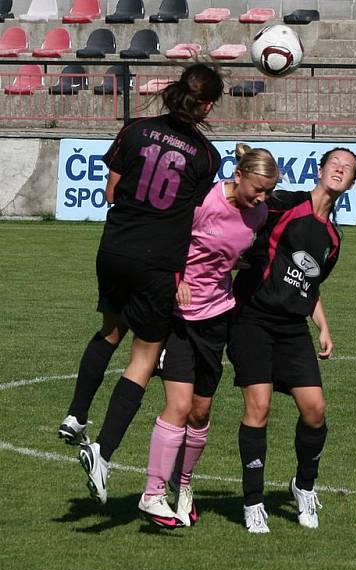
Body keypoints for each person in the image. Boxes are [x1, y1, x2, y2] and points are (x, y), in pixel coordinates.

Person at [60, 63, 224, 505]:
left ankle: (76, 416)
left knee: (110, 331)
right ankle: (103, 450)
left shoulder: (134, 129)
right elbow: (194, 219)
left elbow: (111, 192)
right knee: (145, 358)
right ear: (207, 104)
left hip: (113, 249)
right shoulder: (207, 156)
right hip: (156, 263)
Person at [138, 144, 281, 528]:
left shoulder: (260, 213)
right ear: (239, 176)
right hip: (181, 317)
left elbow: (239, 258)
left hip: (218, 316)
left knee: (201, 412)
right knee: (180, 406)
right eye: (258, 189)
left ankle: (183, 486)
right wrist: (177, 279)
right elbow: (168, 239)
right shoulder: (204, 200)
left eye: (268, 191)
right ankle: (153, 493)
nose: (262, 197)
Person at [227, 147, 356, 533]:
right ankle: (253, 503)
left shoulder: (333, 239)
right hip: (251, 318)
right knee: (259, 407)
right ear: (320, 170)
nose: (339, 170)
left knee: (315, 410)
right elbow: (247, 201)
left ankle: (303, 487)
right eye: (334, 163)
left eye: (347, 169)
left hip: (291, 328)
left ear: (351, 183)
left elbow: (310, 285)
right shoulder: (285, 204)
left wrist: (323, 326)